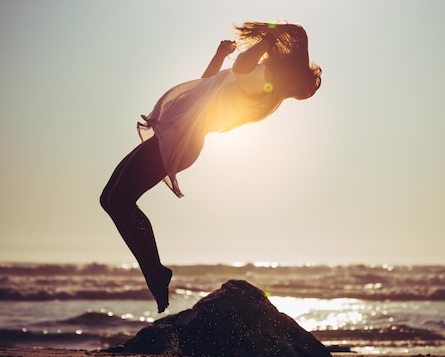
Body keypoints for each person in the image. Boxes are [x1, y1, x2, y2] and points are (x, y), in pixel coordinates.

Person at [100, 22, 322, 313]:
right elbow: (203, 86)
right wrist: (219, 55)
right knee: (109, 199)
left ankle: (155, 271)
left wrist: (269, 37)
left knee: (120, 200)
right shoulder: (258, 81)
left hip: (183, 139)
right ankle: (153, 270)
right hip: (180, 134)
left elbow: (242, 64)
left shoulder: (261, 85)